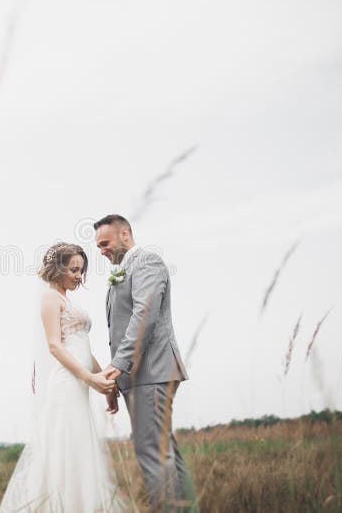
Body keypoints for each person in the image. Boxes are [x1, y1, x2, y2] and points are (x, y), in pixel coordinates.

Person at [0, 242, 123, 513]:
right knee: (64, 448)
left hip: (81, 384)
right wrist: (91, 379)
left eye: (81, 270)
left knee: (80, 450)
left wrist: (105, 382)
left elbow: (83, 349)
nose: (79, 276)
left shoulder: (67, 300)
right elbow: (55, 346)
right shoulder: (49, 299)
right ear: (58, 268)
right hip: (67, 384)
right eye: (73, 269)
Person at [94, 214, 195, 511]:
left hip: (151, 372)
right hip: (139, 376)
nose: (101, 250)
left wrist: (120, 364)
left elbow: (144, 315)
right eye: (97, 246)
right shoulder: (123, 271)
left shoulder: (147, 261)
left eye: (105, 243)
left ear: (125, 234)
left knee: (152, 452)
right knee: (165, 451)